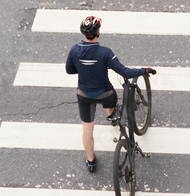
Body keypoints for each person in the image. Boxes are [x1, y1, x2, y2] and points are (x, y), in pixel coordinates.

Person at [65, 15, 155, 173]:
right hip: (104, 93)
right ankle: (113, 119)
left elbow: (69, 70)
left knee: (87, 129)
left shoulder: (74, 50)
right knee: (111, 100)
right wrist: (143, 70)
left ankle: (91, 161)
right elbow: (125, 72)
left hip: (84, 94)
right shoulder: (105, 53)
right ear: (98, 32)